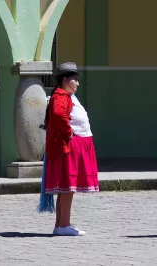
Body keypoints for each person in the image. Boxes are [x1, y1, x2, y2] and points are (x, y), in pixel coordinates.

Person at [41, 62, 99, 236]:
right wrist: (68, 132)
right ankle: (63, 224)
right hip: (69, 147)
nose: (77, 83)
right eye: (75, 80)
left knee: (66, 187)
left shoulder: (66, 95)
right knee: (68, 186)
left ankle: (61, 224)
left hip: (72, 145)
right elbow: (59, 115)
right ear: (65, 80)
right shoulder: (61, 96)